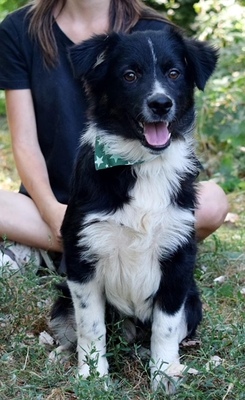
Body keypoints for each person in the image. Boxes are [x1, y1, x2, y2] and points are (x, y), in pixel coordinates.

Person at [0, 0, 229, 272]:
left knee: (213, 203)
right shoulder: (18, 30)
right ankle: (82, 246)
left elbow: (179, 128)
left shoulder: (156, 32)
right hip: (46, 205)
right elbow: (25, 143)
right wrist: (53, 213)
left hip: (138, 203)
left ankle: (60, 249)